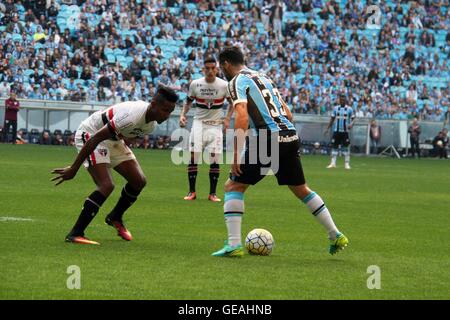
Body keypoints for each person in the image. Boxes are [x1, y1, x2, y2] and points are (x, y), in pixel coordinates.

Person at [211, 46, 348, 257]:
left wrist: (236, 153)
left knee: (233, 185)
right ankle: (335, 234)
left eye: (221, 67)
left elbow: (241, 116)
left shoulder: (236, 82)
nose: (222, 71)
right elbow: (288, 113)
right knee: (301, 189)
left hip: (269, 137)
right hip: (290, 135)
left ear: (226, 64)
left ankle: (234, 245)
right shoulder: (264, 77)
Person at [51, 86, 179, 245]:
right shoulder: (133, 116)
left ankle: (115, 217)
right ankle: (75, 233)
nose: (167, 115)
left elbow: (125, 136)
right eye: (165, 110)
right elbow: (95, 138)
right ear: (153, 104)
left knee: (139, 181)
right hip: (91, 134)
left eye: (170, 112)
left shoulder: (150, 124)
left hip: (112, 139)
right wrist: (74, 168)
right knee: (106, 185)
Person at [179, 56, 232, 202]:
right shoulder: (195, 84)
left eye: (212, 68)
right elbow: (188, 102)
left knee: (215, 159)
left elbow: (232, 103)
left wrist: (227, 119)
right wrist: (183, 115)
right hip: (199, 123)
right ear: (203, 69)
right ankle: (192, 192)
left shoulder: (223, 85)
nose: (210, 71)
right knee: (193, 157)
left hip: (215, 125)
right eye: (207, 68)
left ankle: (212, 194)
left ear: (216, 69)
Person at [325, 93, 355, 169]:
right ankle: (333, 163)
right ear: (339, 100)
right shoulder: (336, 108)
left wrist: (351, 124)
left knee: (346, 148)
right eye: (341, 99)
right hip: (336, 131)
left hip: (345, 132)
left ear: (345, 100)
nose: (342, 101)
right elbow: (332, 119)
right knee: (334, 147)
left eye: (343, 99)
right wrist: (327, 128)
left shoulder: (349, 109)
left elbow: (353, 118)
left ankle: (347, 164)